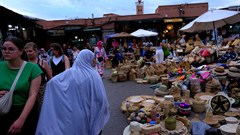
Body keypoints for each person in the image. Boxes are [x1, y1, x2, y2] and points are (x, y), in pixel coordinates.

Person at [36, 49, 110, 135]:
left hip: (75, 113)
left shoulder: (70, 73)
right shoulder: (93, 74)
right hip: (90, 111)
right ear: (87, 59)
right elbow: (101, 98)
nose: (94, 61)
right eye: (93, 58)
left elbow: (53, 82)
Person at [0, 36, 42, 134]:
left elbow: (33, 95)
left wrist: (21, 119)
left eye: (11, 49)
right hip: (2, 110)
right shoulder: (0, 66)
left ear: (21, 51)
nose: (6, 51)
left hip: (24, 112)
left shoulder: (33, 68)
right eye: (4, 48)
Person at [24, 42, 52, 111]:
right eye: (26, 51)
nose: (28, 53)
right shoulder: (24, 64)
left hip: (41, 90)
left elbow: (50, 78)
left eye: (30, 51)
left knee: (42, 110)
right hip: (28, 90)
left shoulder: (42, 63)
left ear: (36, 51)